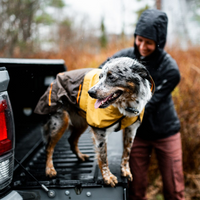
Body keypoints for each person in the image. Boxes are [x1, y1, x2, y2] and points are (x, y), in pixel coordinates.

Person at [99, 9, 184, 200]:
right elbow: (100, 73)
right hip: (137, 134)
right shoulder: (125, 59)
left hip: (165, 132)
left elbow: (147, 104)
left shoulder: (170, 70)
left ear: (159, 43)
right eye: (139, 39)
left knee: (174, 189)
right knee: (135, 190)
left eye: (149, 42)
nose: (142, 46)